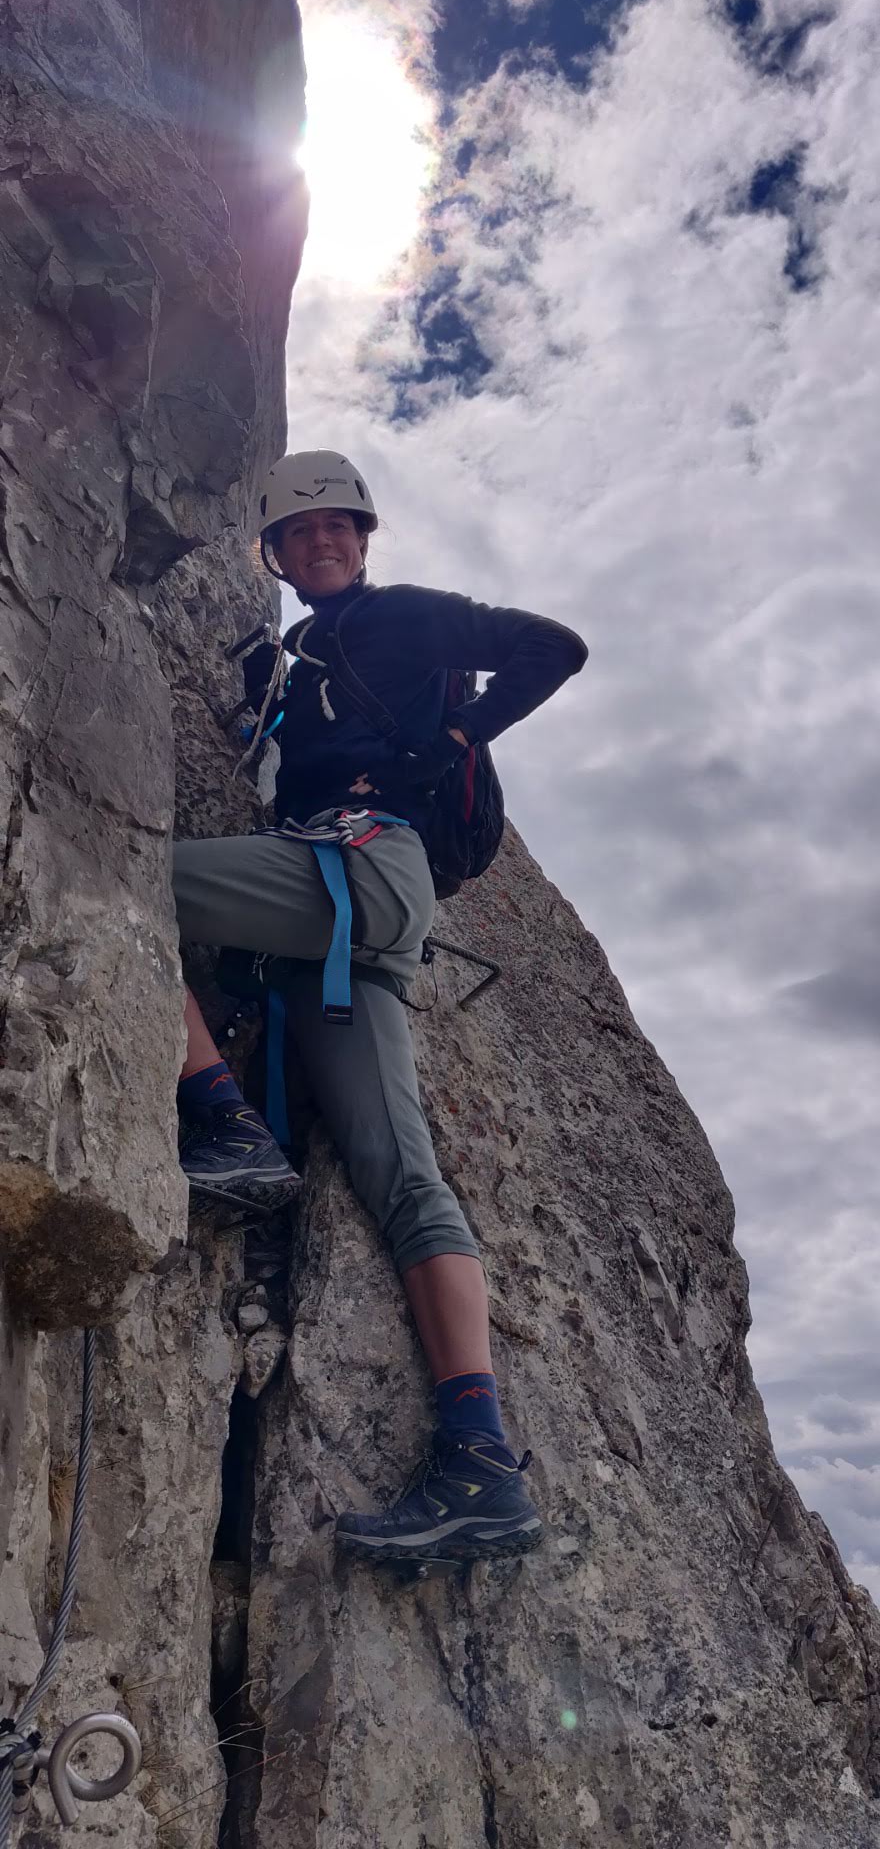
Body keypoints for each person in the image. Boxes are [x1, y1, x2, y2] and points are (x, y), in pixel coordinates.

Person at [172, 451, 587, 1566]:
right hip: (335, 926)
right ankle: (481, 1460)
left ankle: (220, 1117)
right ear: (274, 554)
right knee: (401, 1175)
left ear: (362, 539)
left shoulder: (399, 616)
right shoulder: (289, 660)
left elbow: (550, 647)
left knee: (118, 869)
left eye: (336, 528)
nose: (320, 544)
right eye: (298, 533)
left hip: (362, 872)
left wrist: (450, 741)